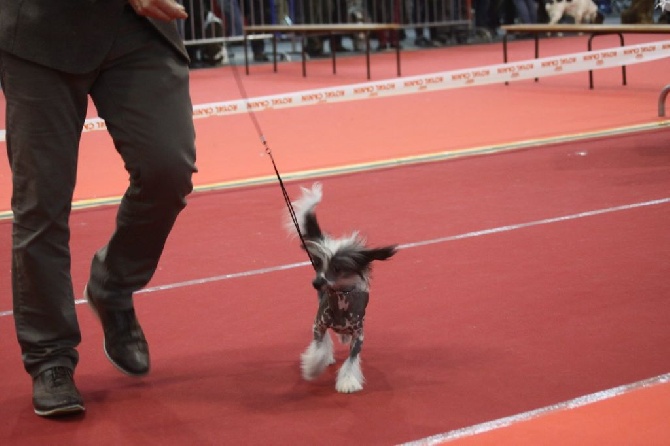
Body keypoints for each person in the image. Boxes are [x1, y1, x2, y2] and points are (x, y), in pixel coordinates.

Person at [0, 0, 198, 417]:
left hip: (138, 28)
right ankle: (50, 356)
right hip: (40, 32)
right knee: (42, 205)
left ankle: (113, 285)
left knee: (168, 170)